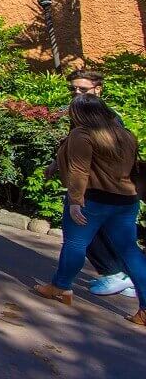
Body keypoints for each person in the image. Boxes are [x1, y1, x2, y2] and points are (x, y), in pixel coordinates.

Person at [32, 93, 146, 326]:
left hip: (93, 200)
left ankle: (60, 287)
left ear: (79, 114)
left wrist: (75, 202)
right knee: (129, 252)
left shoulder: (82, 135)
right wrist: (55, 165)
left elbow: (79, 171)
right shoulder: (125, 135)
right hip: (126, 201)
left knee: (75, 244)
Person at [64, 70, 138, 300]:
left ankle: (112, 273)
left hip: (99, 189)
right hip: (110, 190)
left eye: (83, 89)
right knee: (115, 238)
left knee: (84, 234)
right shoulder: (83, 113)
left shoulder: (107, 118)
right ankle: (123, 276)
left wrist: (77, 196)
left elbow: (96, 157)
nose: (77, 93)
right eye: (73, 89)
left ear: (98, 89)